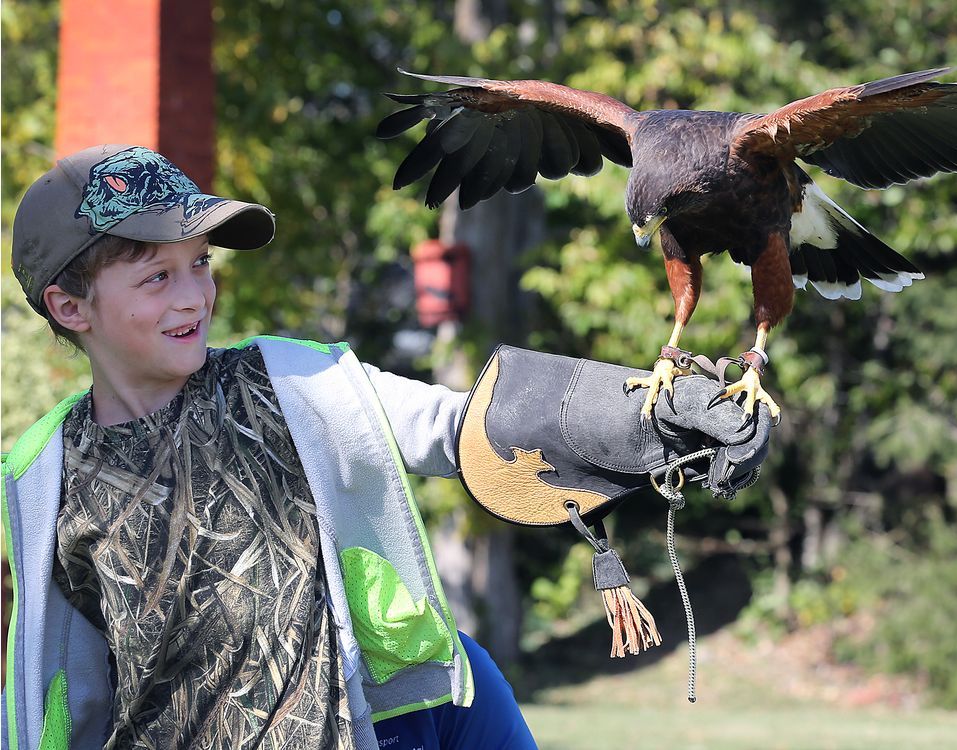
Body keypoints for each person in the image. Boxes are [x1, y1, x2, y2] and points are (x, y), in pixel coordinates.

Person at [3, 144, 771, 750]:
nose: (194, 296)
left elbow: (453, 425)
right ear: (71, 307)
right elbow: (64, 697)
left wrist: (646, 419)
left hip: (396, 723)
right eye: (156, 276)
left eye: (201, 264)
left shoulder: (289, 379)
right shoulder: (47, 476)